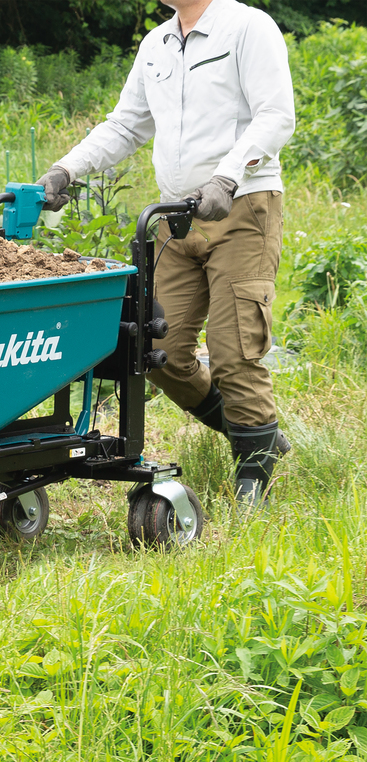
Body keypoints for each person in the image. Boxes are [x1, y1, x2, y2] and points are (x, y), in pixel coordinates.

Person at [37, 0, 295, 503]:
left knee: (233, 347)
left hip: (241, 207)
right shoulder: (156, 44)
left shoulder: (247, 27)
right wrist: (66, 169)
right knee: (157, 350)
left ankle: (253, 468)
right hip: (176, 218)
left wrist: (229, 174)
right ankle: (258, 435)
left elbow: (276, 114)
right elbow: (126, 125)